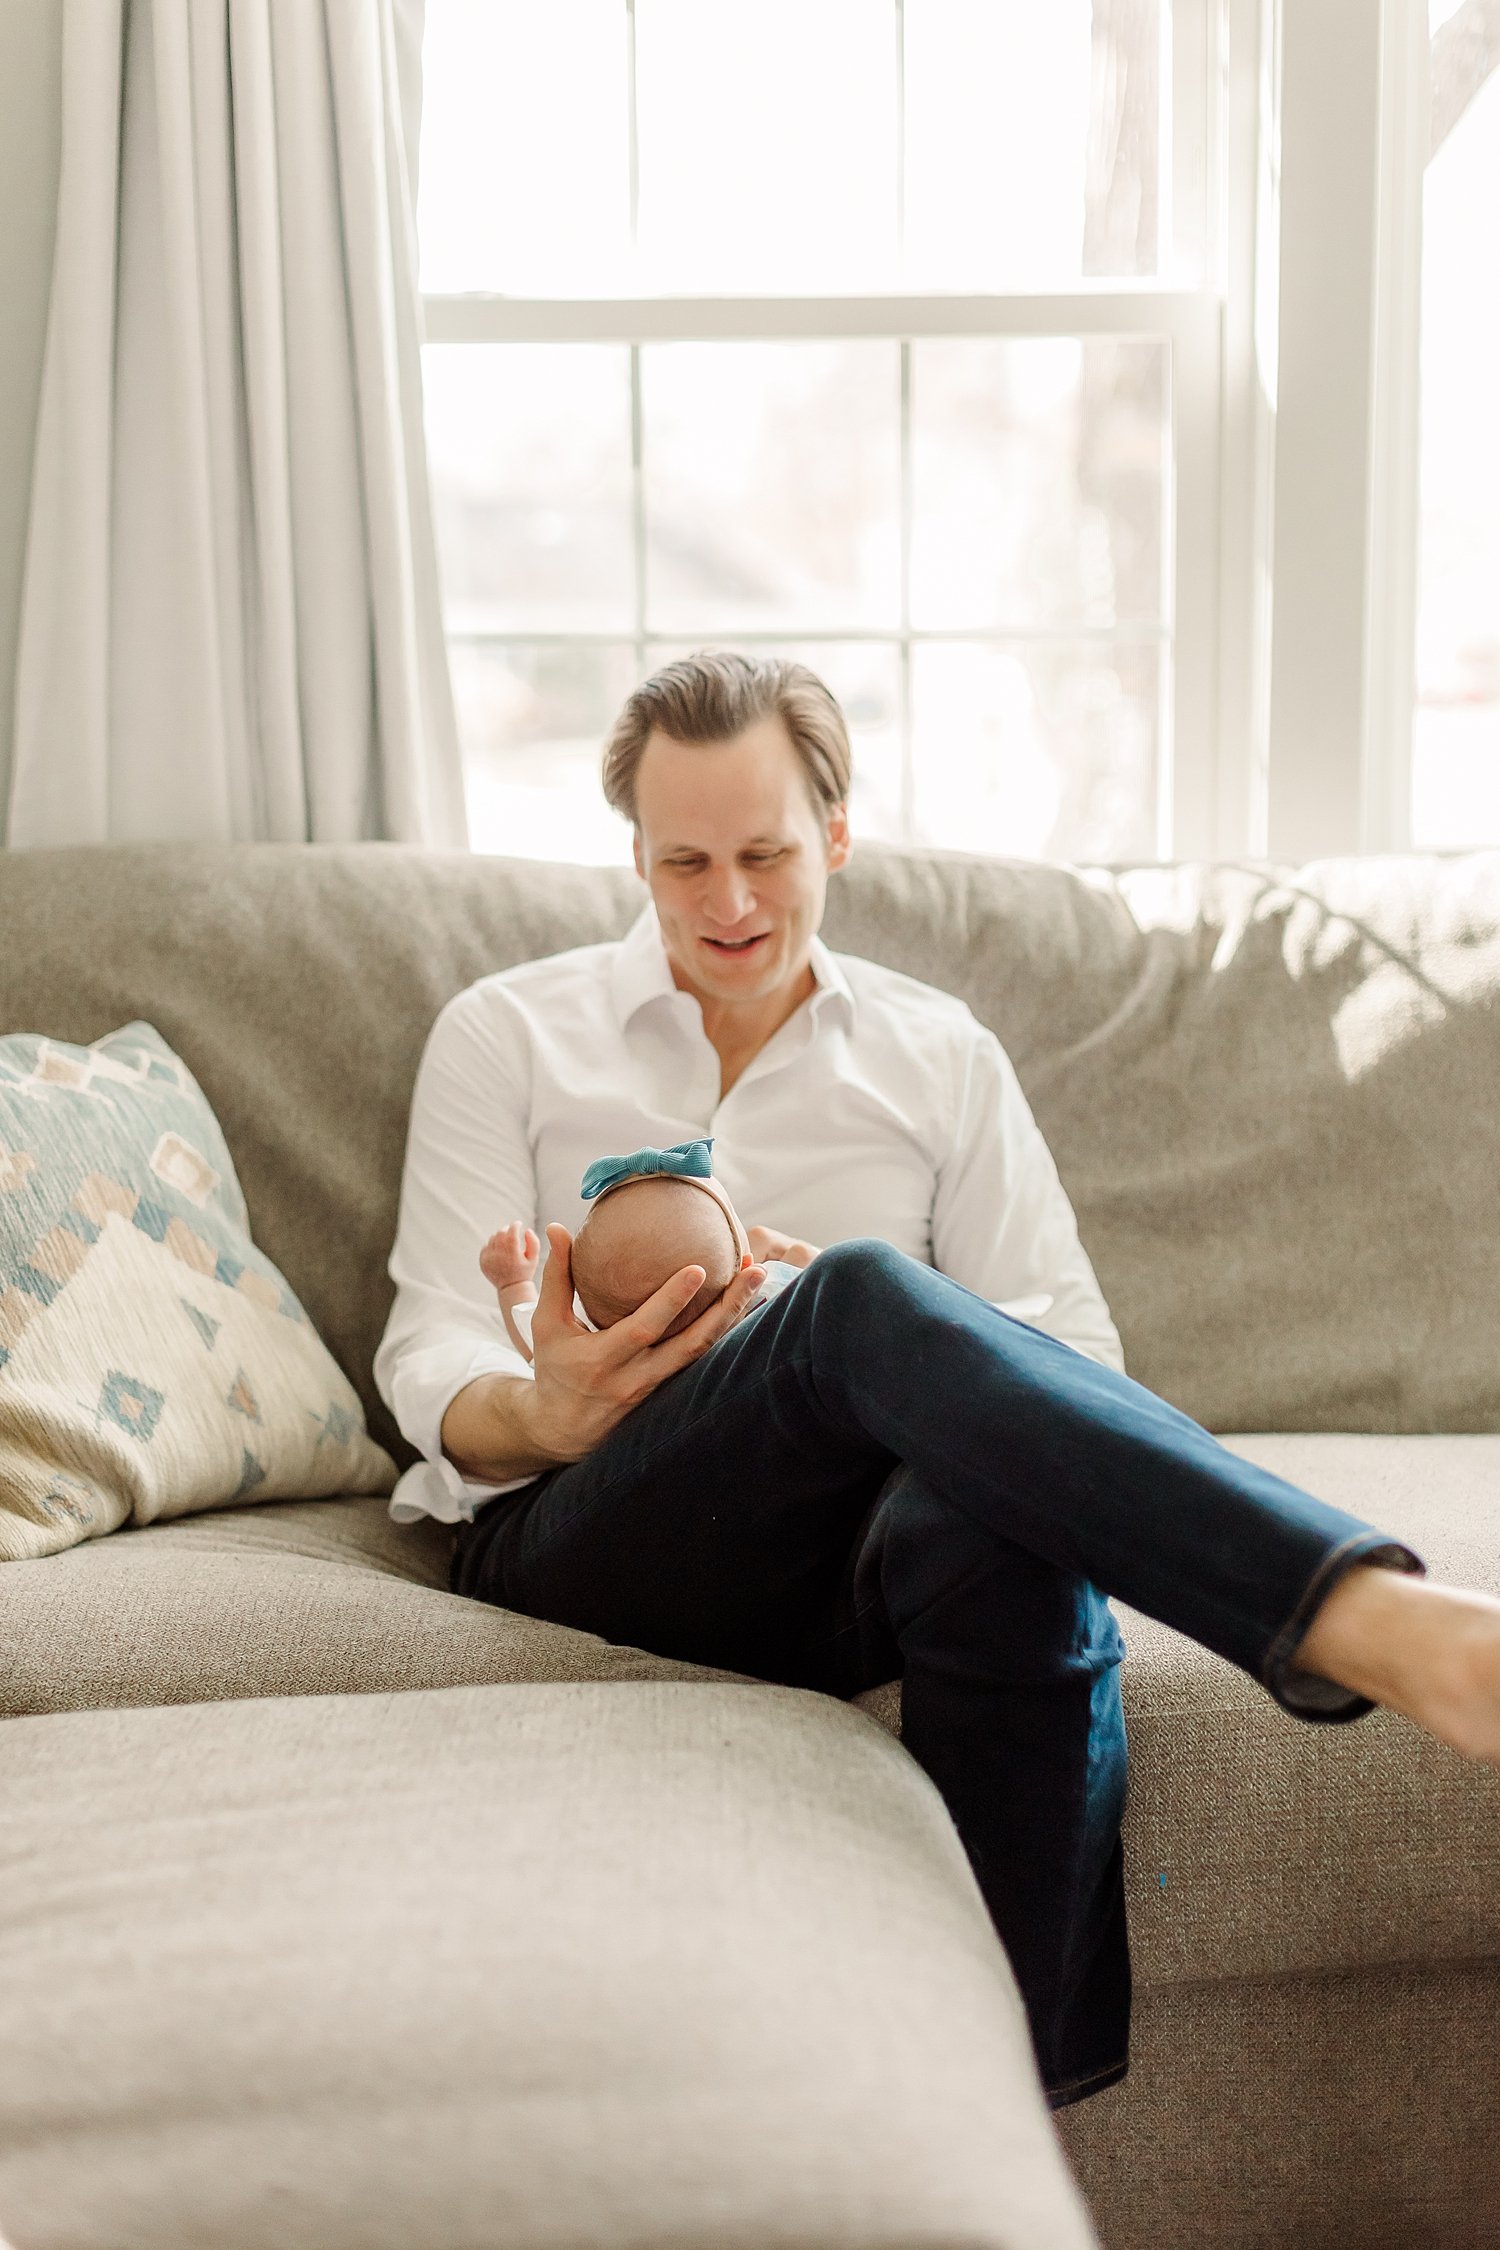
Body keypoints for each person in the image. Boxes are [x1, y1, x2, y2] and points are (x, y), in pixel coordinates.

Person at [376, 648, 1500, 2109]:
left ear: (836, 835)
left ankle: (1003, 2138)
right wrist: (545, 1405)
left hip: (857, 1559)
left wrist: (887, 1360)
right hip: (594, 1527)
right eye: (684, 861)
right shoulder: (507, 1032)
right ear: (636, 856)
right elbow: (423, 1349)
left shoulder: (935, 1054)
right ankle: (1363, 1616)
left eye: (768, 854)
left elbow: (1073, 1357)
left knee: (986, 1513)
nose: (727, 903)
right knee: (854, 1293)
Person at [479, 1138, 807, 1360]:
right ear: (747, 1267)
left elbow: (536, 1339)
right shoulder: (767, 1307)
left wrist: (513, 1282)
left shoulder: (593, 1351)